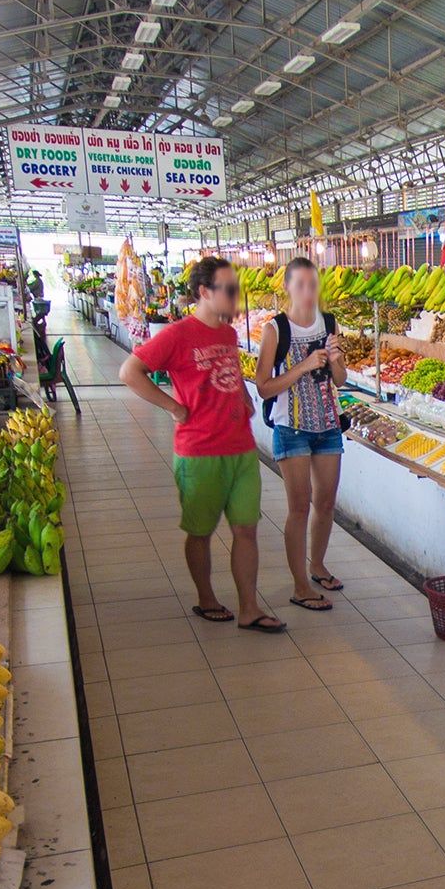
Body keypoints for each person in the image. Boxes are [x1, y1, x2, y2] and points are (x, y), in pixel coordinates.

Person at [120, 257, 284, 633]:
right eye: (229, 289)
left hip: (241, 449)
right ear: (204, 292)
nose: (235, 295)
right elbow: (129, 372)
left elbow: (228, 374)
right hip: (200, 451)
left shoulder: (227, 334)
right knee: (201, 531)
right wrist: (173, 407)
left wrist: (242, 397)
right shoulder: (178, 335)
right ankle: (206, 597)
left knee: (246, 530)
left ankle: (249, 608)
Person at [254, 258, 347, 611]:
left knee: (325, 503)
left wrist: (335, 360)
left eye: (313, 284)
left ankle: (317, 566)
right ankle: (299, 586)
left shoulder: (330, 323)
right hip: (290, 427)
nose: (309, 292)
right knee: (298, 507)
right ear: (287, 287)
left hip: (327, 426)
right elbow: (263, 387)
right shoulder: (275, 329)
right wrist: (304, 365)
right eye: (301, 285)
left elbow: (340, 380)